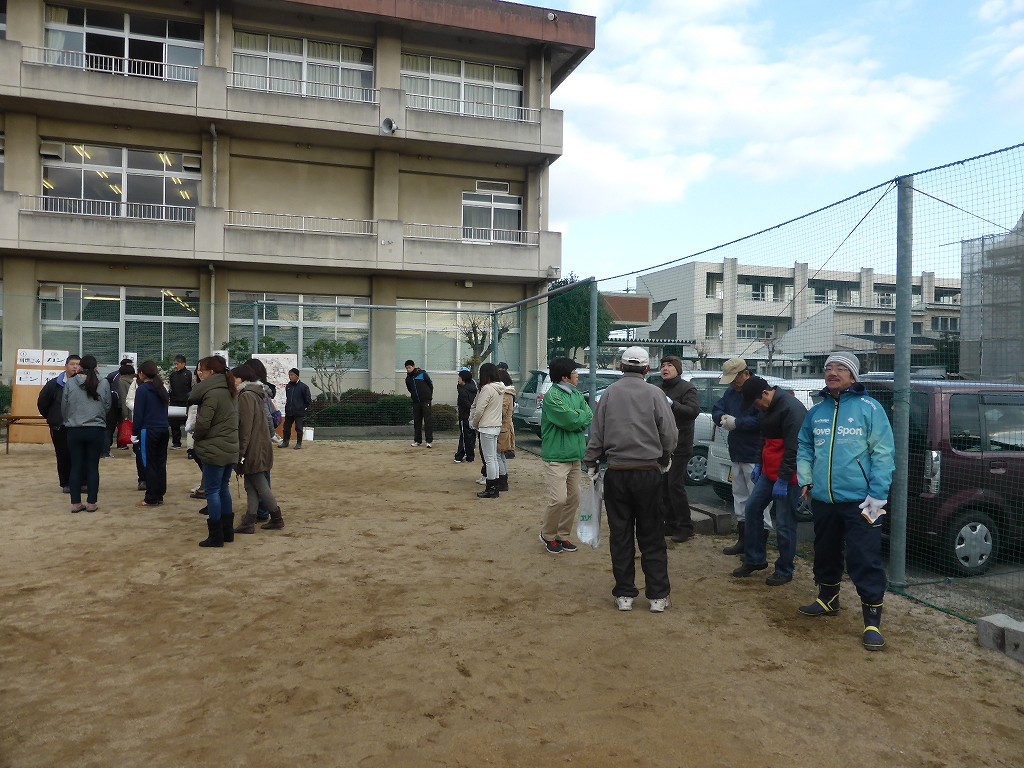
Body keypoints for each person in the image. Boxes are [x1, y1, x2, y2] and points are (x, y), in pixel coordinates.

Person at [797, 352, 895, 651]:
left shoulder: (870, 408)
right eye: (829, 368)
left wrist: (878, 494)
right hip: (824, 498)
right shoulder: (817, 411)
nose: (833, 372)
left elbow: (883, 452)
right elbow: (804, 445)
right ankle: (828, 599)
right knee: (825, 551)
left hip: (862, 501)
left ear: (853, 376)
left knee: (864, 558)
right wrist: (806, 478)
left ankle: (872, 621)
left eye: (841, 368)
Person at [583, 347, 677, 613]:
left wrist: (591, 462)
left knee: (621, 534)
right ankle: (658, 596)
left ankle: (624, 594)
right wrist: (664, 456)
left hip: (617, 473)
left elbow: (597, 433)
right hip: (648, 472)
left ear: (621, 367)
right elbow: (669, 433)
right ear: (647, 369)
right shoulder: (656, 394)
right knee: (652, 534)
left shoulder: (609, 394)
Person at [730, 376, 806, 586]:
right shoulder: (766, 407)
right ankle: (755, 559)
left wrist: (784, 479)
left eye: (756, 402)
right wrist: (758, 463)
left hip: (789, 475)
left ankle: (785, 569)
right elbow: (763, 438)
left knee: (784, 523)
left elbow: (794, 448)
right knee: (752, 508)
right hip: (769, 472)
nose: (756, 407)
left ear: (765, 393)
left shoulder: (792, 409)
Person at [712, 357, 772, 556]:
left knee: (759, 502)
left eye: (735, 380)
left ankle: (758, 546)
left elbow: (763, 419)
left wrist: (738, 423)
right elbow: (717, 407)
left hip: (755, 455)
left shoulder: (762, 392)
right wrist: (721, 417)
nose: (732, 384)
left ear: (746, 374)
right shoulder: (731, 392)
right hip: (737, 452)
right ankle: (744, 541)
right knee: (739, 497)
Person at [538, 357, 593, 554]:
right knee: (559, 499)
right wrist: (578, 418)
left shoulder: (576, 394)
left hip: (574, 456)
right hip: (556, 457)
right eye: (575, 373)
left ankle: (562, 535)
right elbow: (571, 421)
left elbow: (589, 415)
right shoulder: (553, 396)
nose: (577, 376)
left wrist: (578, 417)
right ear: (564, 377)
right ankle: (548, 535)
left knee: (574, 499)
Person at [188, 355, 239, 548]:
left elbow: (203, 423)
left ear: (211, 372)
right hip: (230, 447)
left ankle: (216, 536)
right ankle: (227, 532)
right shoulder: (230, 390)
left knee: (213, 491)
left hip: (214, 448)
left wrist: (197, 437)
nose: (199, 373)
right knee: (223, 488)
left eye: (201, 370)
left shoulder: (211, 393)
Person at [232, 365, 285, 533]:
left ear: (241, 379)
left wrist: (240, 452)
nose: (232, 381)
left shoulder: (246, 396)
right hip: (259, 446)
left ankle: (276, 518)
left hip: (253, 449)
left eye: (234, 378)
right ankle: (250, 520)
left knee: (260, 485)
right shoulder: (255, 393)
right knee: (251, 485)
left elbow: (245, 428)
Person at [658, 356, 700, 543]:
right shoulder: (659, 389)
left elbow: (693, 411)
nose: (665, 368)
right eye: (663, 365)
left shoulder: (687, 388)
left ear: (678, 369)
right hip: (663, 445)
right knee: (663, 485)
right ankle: (670, 523)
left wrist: (673, 404)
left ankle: (685, 527)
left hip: (681, 445)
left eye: (669, 365)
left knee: (675, 485)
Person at [60, 355, 110, 513]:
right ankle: (91, 503)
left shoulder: (70, 383)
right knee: (92, 467)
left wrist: (69, 419)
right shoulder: (103, 382)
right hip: (96, 429)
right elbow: (107, 405)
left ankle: (75, 503)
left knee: (76, 466)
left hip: (74, 429)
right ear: (96, 367)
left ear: (80, 367)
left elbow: (64, 406)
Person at [37, 354, 80, 493]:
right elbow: (42, 403)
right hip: (60, 426)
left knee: (78, 454)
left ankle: (80, 482)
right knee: (63, 454)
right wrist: (52, 417)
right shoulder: (54, 384)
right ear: (65, 366)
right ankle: (66, 482)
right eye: (72, 364)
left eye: (78, 364)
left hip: (78, 425)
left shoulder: (83, 384)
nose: (75, 367)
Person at [132, 360, 171, 508]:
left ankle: (151, 497)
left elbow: (138, 414)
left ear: (141, 374)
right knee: (160, 463)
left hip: (148, 430)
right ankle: (159, 494)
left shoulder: (142, 390)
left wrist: (134, 433)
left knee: (149, 463)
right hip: (163, 429)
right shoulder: (161, 388)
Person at [468, 363, 506, 499]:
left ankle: (491, 489)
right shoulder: (500, 388)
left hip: (486, 427)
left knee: (489, 459)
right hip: (495, 426)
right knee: (493, 459)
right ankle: (494, 487)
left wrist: (474, 423)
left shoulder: (487, 389)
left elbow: (479, 410)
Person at [404, 359, 434, 448]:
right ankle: (417, 440)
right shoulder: (408, 379)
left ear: (413, 366)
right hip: (416, 402)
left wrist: (428, 396)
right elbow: (410, 389)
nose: (408, 369)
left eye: (409, 367)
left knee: (428, 421)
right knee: (417, 422)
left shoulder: (422, 374)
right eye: (406, 368)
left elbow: (430, 385)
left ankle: (429, 441)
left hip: (426, 401)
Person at [496, 368, 517, 492]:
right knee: (501, 455)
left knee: (498, 455)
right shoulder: (509, 393)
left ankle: (502, 482)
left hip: (502, 428)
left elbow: (501, 412)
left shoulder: (505, 394)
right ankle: (503, 481)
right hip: (505, 427)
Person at [280, 368, 312, 449]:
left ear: (297, 376)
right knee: (286, 428)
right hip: (289, 411)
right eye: (289, 375)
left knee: (299, 428)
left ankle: (299, 443)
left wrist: (302, 407)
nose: (290, 377)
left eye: (291, 375)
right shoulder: (288, 386)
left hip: (299, 412)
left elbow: (308, 400)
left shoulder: (303, 387)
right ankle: (285, 442)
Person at [168, 354, 192, 450]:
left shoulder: (189, 374)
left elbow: (191, 388)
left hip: (185, 402)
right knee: (174, 424)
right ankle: (176, 442)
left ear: (183, 364)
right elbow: (170, 388)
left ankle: (191, 444)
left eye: (177, 364)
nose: (175, 366)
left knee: (188, 423)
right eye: (174, 364)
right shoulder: (172, 375)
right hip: (174, 402)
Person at [454, 370, 478, 463]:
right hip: (472, 416)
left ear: (463, 379)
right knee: (470, 436)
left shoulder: (463, 390)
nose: (458, 379)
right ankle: (469, 456)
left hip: (465, 416)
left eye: (459, 378)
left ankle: (461, 456)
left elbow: (467, 404)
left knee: (465, 437)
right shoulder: (473, 387)